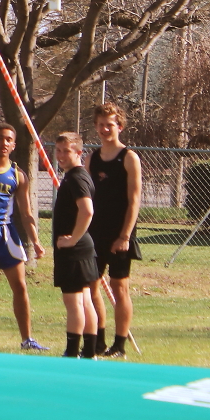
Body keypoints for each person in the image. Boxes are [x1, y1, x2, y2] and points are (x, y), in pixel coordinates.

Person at [0, 122, 49, 352]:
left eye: (9, 140)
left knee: (20, 287)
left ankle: (27, 340)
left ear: (14, 145)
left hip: (6, 234)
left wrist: (35, 241)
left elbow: (26, 212)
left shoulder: (18, 175)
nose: (4, 143)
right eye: (0, 138)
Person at [88, 102, 143, 359]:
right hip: (95, 233)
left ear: (119, 126)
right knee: (91, 285)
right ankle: (97, 340)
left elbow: (134, 200)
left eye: (109, 125)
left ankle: (119, 345)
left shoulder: (129, 157)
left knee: (119, 287)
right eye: (100, 125)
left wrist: (125, 236)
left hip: (120, 232)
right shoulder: (92, 158)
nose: (104, 129)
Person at [52, 131, 102, 358]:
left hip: (75, 250)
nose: (61, 155)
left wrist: (73, 238)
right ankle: (89, 351)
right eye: (58, 150)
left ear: (79, 153)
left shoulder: (77, 178)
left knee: (74, 303)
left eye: (66, 151)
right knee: (84, 300)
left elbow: (87, 210)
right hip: (80, 248)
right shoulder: (73, 176)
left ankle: (72, 351)